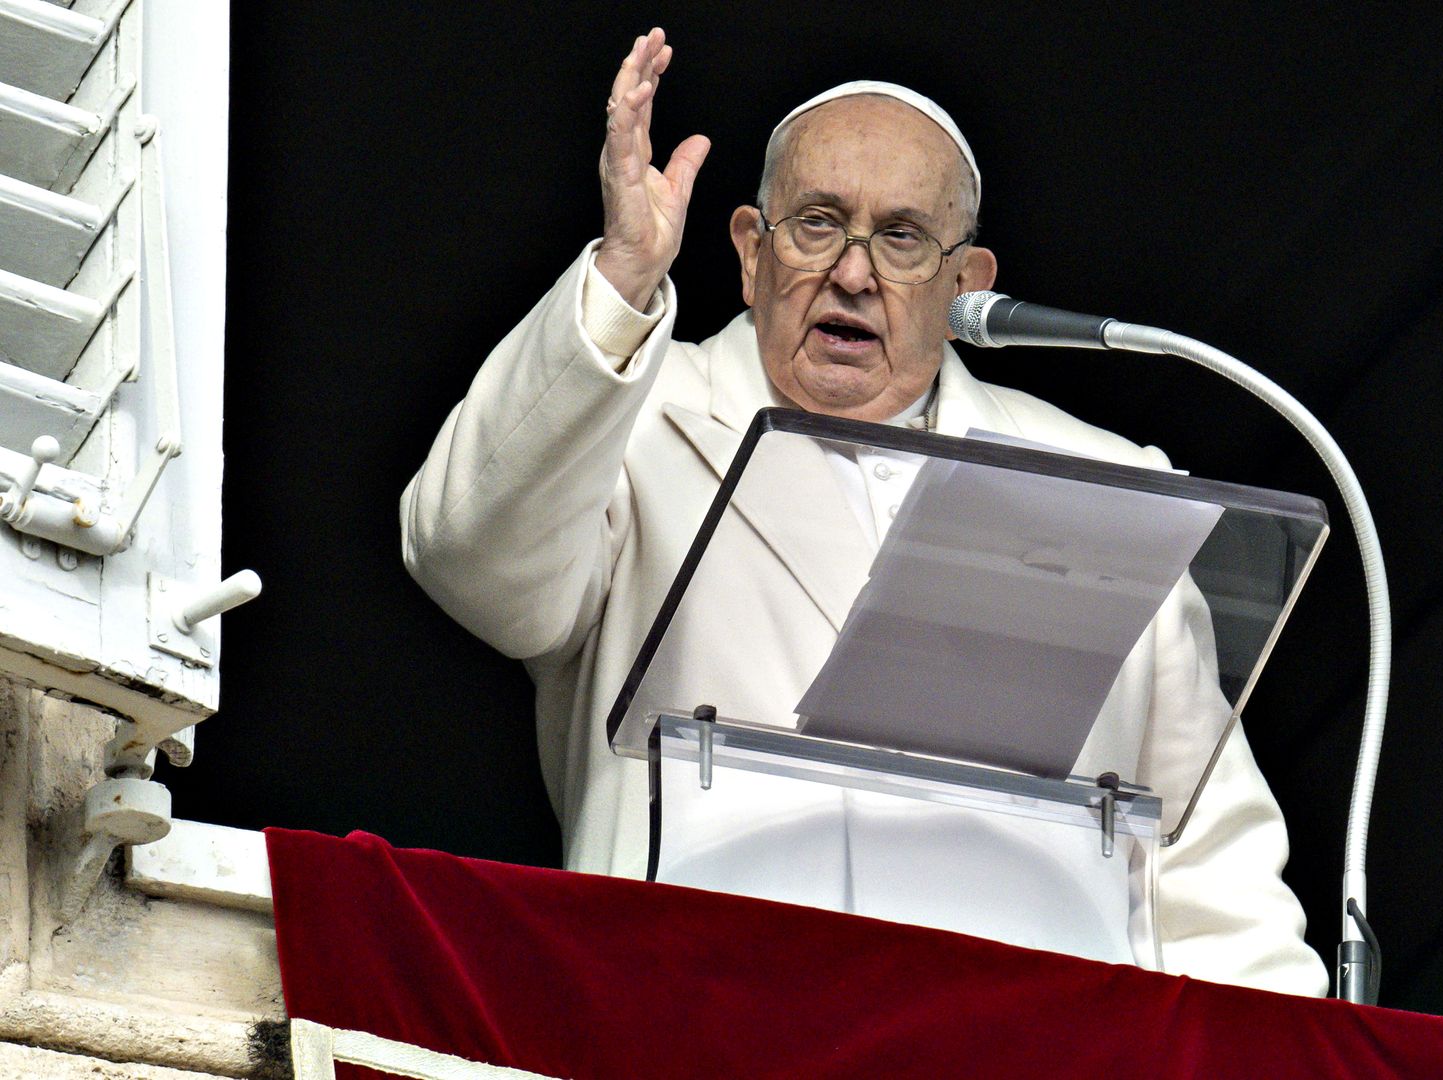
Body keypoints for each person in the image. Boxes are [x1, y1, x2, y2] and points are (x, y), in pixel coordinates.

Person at [402, 27, 1326, 996]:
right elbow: (468, 557)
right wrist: (624, 277)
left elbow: (1213, 882)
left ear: (966, 287)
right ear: (750, 253)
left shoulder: (1100, 481)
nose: (853, 273)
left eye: (902, 238)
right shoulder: (629, 417)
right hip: (705, 1018)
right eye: (817, 224)